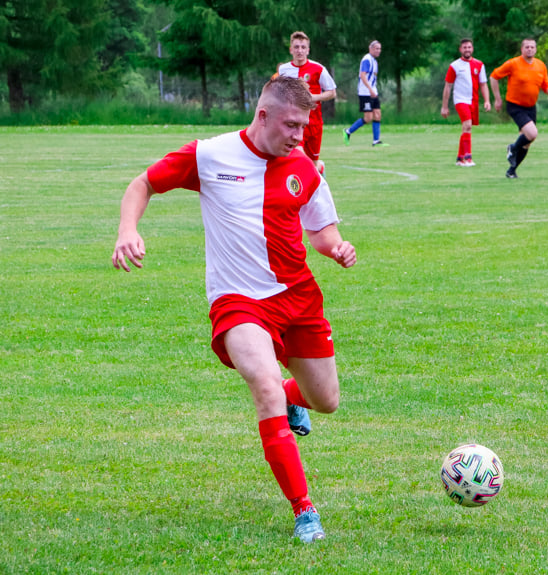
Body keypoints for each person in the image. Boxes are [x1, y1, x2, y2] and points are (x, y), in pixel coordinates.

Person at [111, 76, 357, 543]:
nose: (298, 136)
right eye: (291, 125)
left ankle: (292, 396)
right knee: (264, 386)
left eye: (304, 126)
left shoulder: (303, 165)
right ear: (262, 115)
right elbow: (143, 183)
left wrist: (338, 248)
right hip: (237, 300)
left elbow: (322, 232)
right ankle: (305, 510)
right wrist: (128, 228)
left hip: (297, 297)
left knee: (326, 400)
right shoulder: (210, 155)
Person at [490, 38, 548, 179]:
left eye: (532, 47)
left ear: (536, 49)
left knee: (527, 143)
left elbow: (546, 86)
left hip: (530, 107)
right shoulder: (513, 63)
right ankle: (512, 148)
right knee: (532, 134)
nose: (529, 49)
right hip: (515, 105)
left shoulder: (540, 65)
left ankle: (511, 171)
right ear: (522, 49)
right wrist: (497, 99)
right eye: (527, 47)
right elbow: (494, 76)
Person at [275, 31, 337, 176]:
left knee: (313, 164)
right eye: (296, 47)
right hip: (294, 123)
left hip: (314, 123)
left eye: (303, 47)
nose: (300, 51)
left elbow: (332, 92)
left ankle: (319, 168)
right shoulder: (284, 70)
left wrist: (312, 97)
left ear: (308, 50)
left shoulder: (318, 69)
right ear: (291, 50)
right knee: (299, 157)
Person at [441, 38, 491, 166]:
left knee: (466, 128)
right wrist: (444, 106)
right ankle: (468, 158)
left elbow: (483, 84)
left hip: (473, 101)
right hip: (460, 100)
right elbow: (448, 86)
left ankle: (459, 158)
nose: (467, 49)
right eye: (464, 47)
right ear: (460, 50)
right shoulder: (454, 66)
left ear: (472, 48)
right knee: (467, 125)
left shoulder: (479, 65)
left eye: (469, 47)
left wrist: (487, 101)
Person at [344, 40, 387, 146]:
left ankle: (376, 141)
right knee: (368, 118)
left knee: (377, 115)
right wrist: (370, 90)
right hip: (365, 93)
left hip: (373, 92)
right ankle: (348, 131)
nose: (378, 51)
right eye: (376, 48)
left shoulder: (374, 61)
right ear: (370, 49)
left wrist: (374, 90)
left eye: (379, 49)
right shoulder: (367, 60)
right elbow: (362, 75)